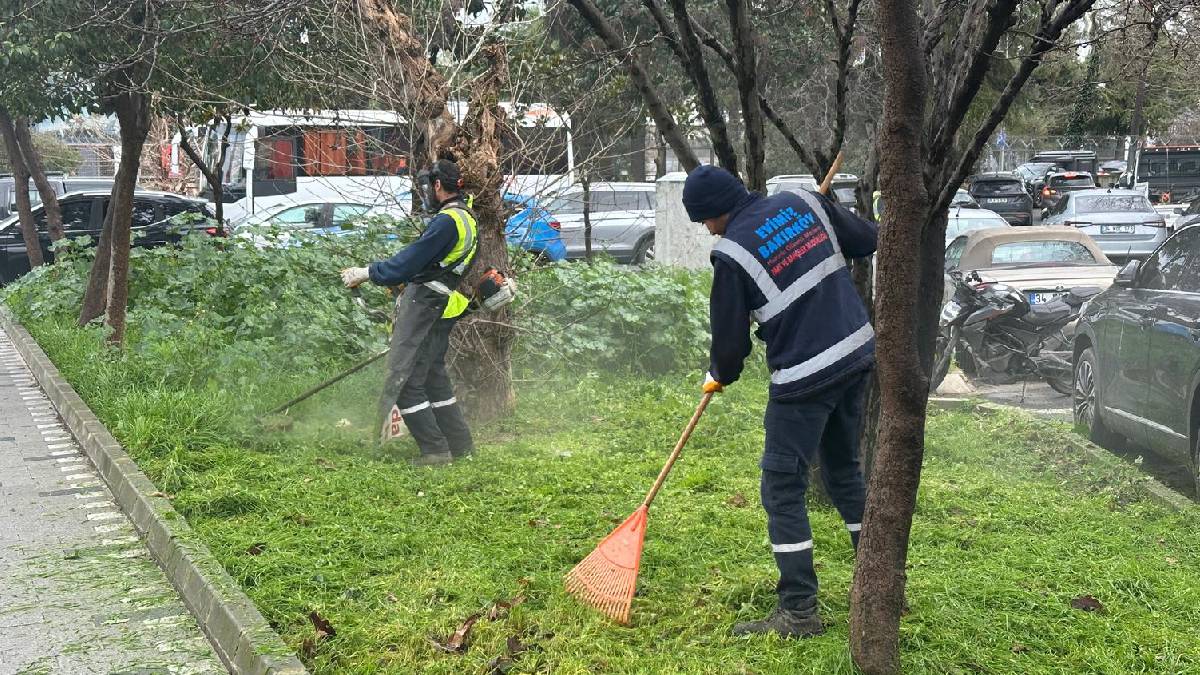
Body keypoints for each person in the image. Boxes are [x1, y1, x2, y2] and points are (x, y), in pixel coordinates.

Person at [683, 165, 878, 638]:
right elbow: (867, 240)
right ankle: (882, 587)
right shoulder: (802, 203)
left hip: (806, 377)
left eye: (705, 221)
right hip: (856, 354)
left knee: (781, 486)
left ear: (717, 212)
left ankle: (797, 611)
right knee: (844, 472)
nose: (708, 231)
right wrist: (826, 209)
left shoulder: (730, 255)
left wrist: (719, 374)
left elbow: (729, 349)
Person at [341, 158, 476, 465]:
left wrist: (369, 272)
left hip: (424, 305)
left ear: (438, 185)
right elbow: (436, 264)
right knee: (432, 378)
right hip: (442, 305)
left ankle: (435, 450)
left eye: (428, 186)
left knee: (403, 381)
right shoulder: (468, 218)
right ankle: (460, 445)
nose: (427, 192)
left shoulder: (446, 221)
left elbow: (410, 260)